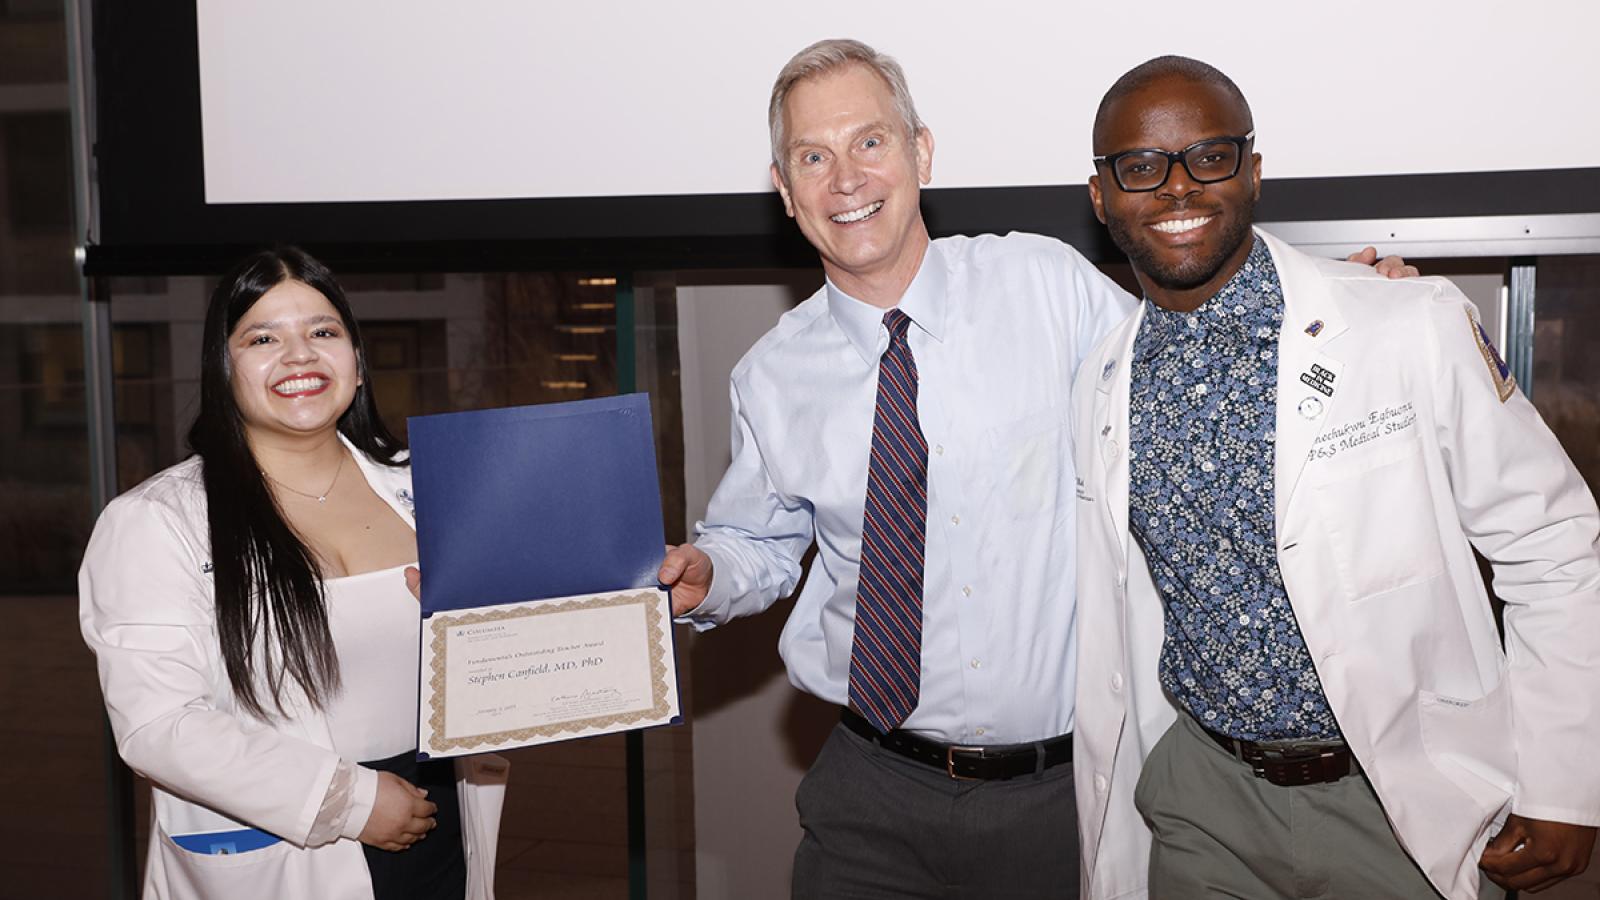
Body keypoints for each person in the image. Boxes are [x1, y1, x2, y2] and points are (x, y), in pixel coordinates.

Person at [658, 39, 1412, 898]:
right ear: (785, 190)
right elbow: (759, 540)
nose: (846, 178)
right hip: (869, 792)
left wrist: (1329, 305)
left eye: (870, 142)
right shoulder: (768, 374)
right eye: (812, 157)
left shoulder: (1044, 284)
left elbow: (1182, 356)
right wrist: (710, 573)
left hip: (1061, 798)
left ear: (920, 153)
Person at [1071, 56, 1600, 900]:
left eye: (1208, 156)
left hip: (1393, 799)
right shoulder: (1101, 378)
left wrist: (1566, 777)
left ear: (1251, 170)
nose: (1177, 187)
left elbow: (1556, 545)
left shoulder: (1405, 325)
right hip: (1201, 800)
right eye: (1140, 167)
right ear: (1101, 197)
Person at [79, 248, 507, 900]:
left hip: (438, 825)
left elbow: (512, 632)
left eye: (323, 332)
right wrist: (351, 802)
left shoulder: (436, 488)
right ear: (224, 370)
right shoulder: (154, 521)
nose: (300, 354)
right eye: (263, 337)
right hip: (286, 843)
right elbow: (157, 726)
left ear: (357, 364)